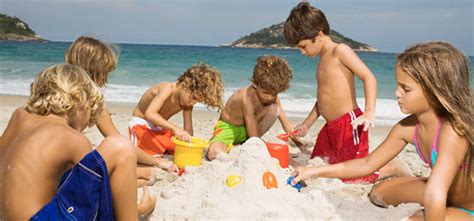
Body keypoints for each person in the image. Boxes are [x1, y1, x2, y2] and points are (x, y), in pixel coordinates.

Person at [291, 42, 473, 219]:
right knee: (378, 193)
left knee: (417, 217)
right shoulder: (407, 127)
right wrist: (314, 171)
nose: (396, 93)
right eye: (398, 85)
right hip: (442, 190)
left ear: (435, 91)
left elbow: (434, 194)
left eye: (406, 89)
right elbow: (367, 164)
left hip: (465, 205)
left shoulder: (453, 131)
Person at [0, 64, 154, 220]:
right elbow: (96, 194)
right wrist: (137, 209)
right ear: (81, 102)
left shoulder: (19, 116)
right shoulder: (73, 139)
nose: (87, 124)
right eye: (90, 113)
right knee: (120, 147)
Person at [284, 2, 379, 183]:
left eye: (303, 46)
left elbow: (369, 78)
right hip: (330, 128)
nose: (302, 52)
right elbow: (323, 99)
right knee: (317, 167)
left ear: (319, 35)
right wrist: (307, 124)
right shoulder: (322, 61)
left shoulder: (340, 51)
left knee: (352, 175)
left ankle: (390, 168)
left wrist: (369, 111)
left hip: (350, 125)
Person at [66, 35, 177, 187]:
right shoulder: (93, 100)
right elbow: (119, 141)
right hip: (69, 172)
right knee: (147, 174)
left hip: (53, 162)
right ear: (97, 71)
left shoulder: (54, 90)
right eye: (105, 72)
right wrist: (155, 161)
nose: (106, 78)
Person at [206, 55, 305, 161]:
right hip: (229, 128)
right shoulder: (246, 98)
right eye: (265, 93)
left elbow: (286, 124)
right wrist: (261, 149)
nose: (270, 97)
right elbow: (253, 133)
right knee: (212, 153)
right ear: (254, 83)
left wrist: (301, 147)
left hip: (248, 132)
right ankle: (243, 146)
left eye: (274, 93)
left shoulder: (272, 96)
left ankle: (245, 144)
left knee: (274, 109)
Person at [130, 63, 224, 157]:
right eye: (193, 98)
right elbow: (150, 114)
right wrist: (176, 129)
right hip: (141, 124)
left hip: (160, 128)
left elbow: (188, 130)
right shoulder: (168, 89)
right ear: (186, 83)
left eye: (197, 101)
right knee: (152, 153)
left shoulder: (187, 102)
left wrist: (189, 141)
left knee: (179, 148)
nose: (192, 103)